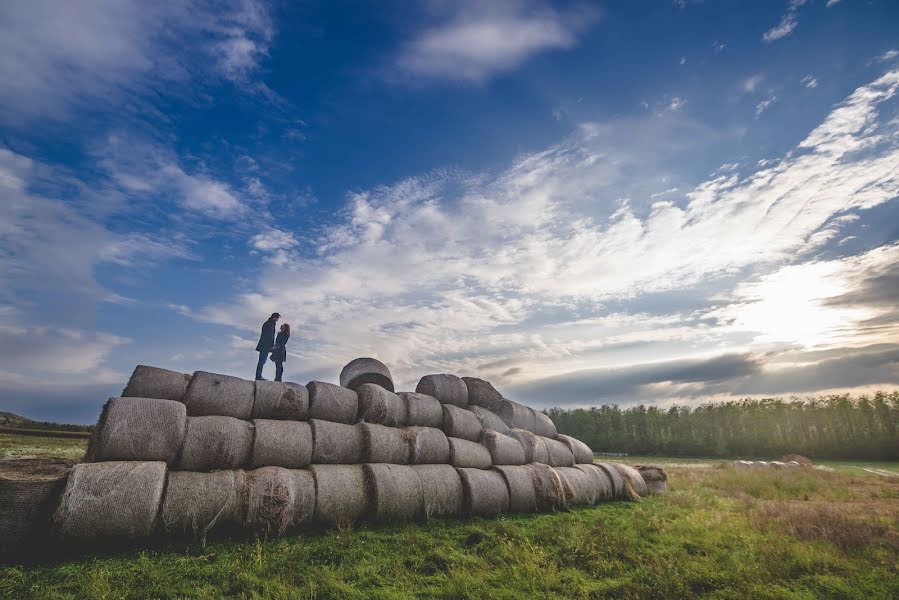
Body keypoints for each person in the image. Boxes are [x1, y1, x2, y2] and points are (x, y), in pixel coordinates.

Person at [255, 312, 280, 380]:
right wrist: (271, 346)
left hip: (265, 345)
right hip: (265, 346)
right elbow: (268, 336)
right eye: (278, 318)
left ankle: (258, 376)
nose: (278, 320)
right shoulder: (269, 324)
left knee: (262, 361)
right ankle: (258, 377)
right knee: (262, 361)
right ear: (275, 317)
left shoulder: (270, 323)